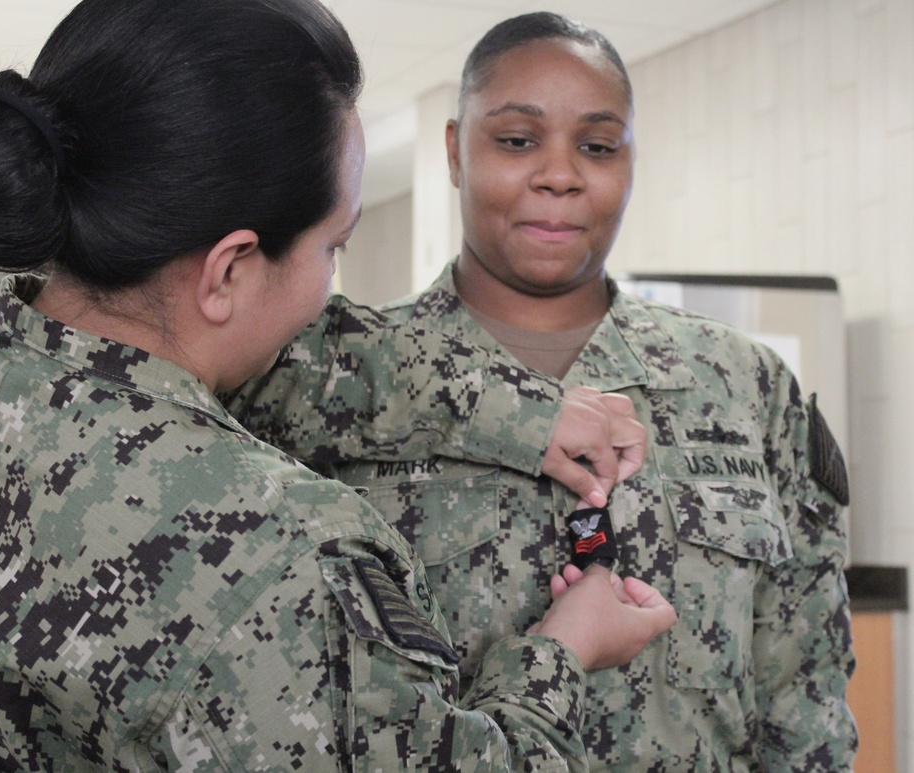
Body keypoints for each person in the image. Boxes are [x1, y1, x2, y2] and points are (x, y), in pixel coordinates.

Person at [0, 0, 678, 769]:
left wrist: (526, 414)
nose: (328, 289)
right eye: (333, 248)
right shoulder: (279, 562)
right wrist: (561, 649)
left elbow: (309, 363)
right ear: (230, 268)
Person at [238, 11, 857, 772]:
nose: (560, 174)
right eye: (517, 140)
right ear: (454, 151)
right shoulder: (318, 373)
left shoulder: (744, 385)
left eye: (597, 146)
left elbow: (805, 692)